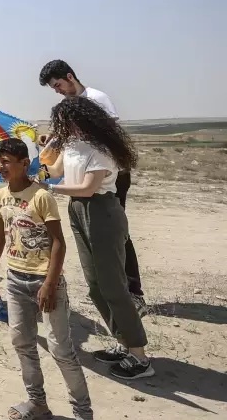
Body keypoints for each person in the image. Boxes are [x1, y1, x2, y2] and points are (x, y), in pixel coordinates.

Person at [0, 139, 92, 420]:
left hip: (44, 282)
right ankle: (37, 403)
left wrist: (50, 284)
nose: (0, 166)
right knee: (22, 343)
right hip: (15, 280)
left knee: (60, 349)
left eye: (6, 161)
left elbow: (59, 242)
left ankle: (83, 412)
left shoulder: (41, 196)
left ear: (24, 163)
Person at [47, 97, 152, 380]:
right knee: (95, 285)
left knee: (114, 287)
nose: (65, 128)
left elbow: (87, 188)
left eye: (67, 123)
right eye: (61, 124)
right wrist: (47, 146)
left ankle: (140, 356)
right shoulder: (71, 145)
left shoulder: (102, 150)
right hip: (78, 210)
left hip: (101, 211)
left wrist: (49, 188)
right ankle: (123, 343)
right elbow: (54, 169)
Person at [39, 59, 145, 314]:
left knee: (116, 234)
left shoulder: (97, 98)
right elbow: (70, 137)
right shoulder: (68, 105)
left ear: (70, 76)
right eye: (54, 89)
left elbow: (104, 135)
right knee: (93, 237)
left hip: (107, 172)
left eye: (58, 85)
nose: (58, 90)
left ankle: (132, 292)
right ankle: (105, 288)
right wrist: (51, 140)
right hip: (83, 174)